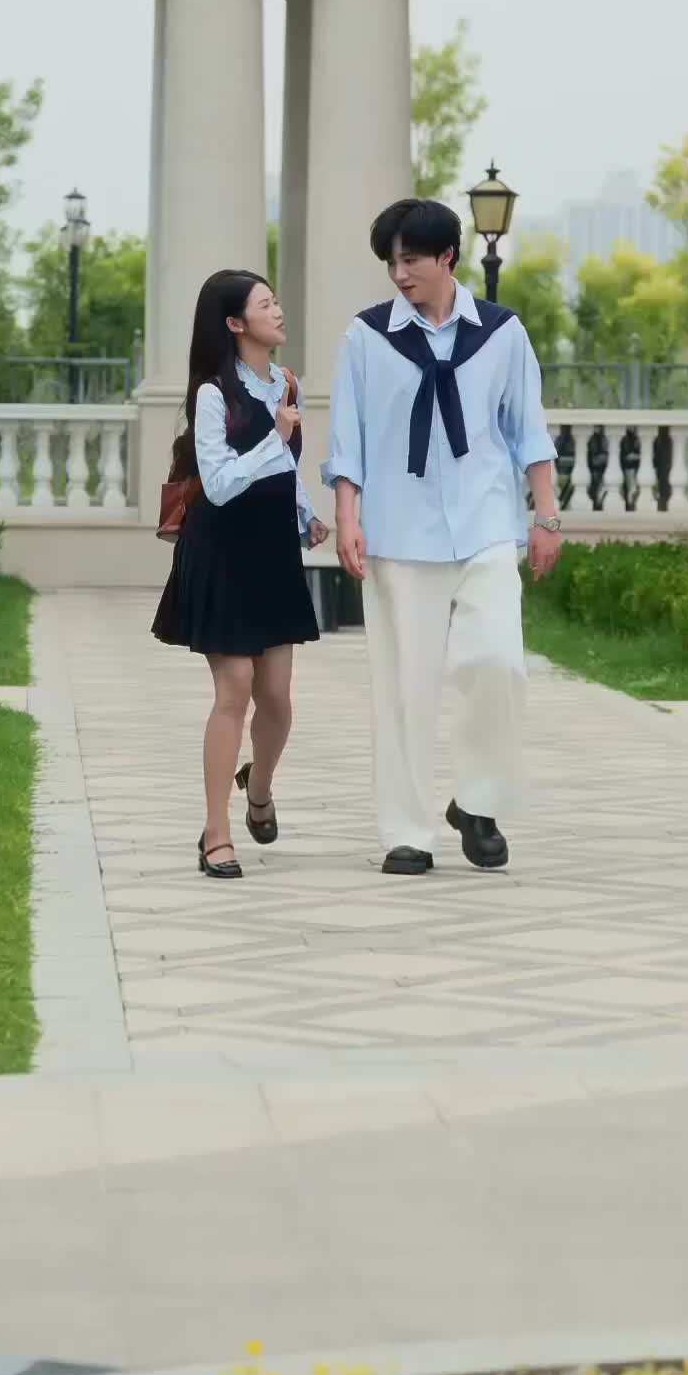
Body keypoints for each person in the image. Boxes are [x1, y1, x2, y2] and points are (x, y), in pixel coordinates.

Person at [322, 197, 562, 876]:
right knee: (405, 685)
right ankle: (407, 832)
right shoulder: (367, 337)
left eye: (410, 260)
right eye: (391, 263)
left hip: (486, 526)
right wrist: (348, 518)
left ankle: (477, 802)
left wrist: (546, 515)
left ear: (447, 257)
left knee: (499, 663)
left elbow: (528, 430)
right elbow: (348, 439)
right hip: (398, 531)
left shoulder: (501, 333)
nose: (399, 275)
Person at [152, 269, 328, 880]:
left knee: (276, 697)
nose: (278, 311)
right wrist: (275, 435)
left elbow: (288, 468)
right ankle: (216, 834)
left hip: (273, 551)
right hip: (221, 550)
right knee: (234, 689)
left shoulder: (287, 383)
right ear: (234, 323)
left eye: (276, 301)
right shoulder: (212, 394)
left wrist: (306, 514)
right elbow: (222, 484)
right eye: (265, 304)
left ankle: (259, 787)